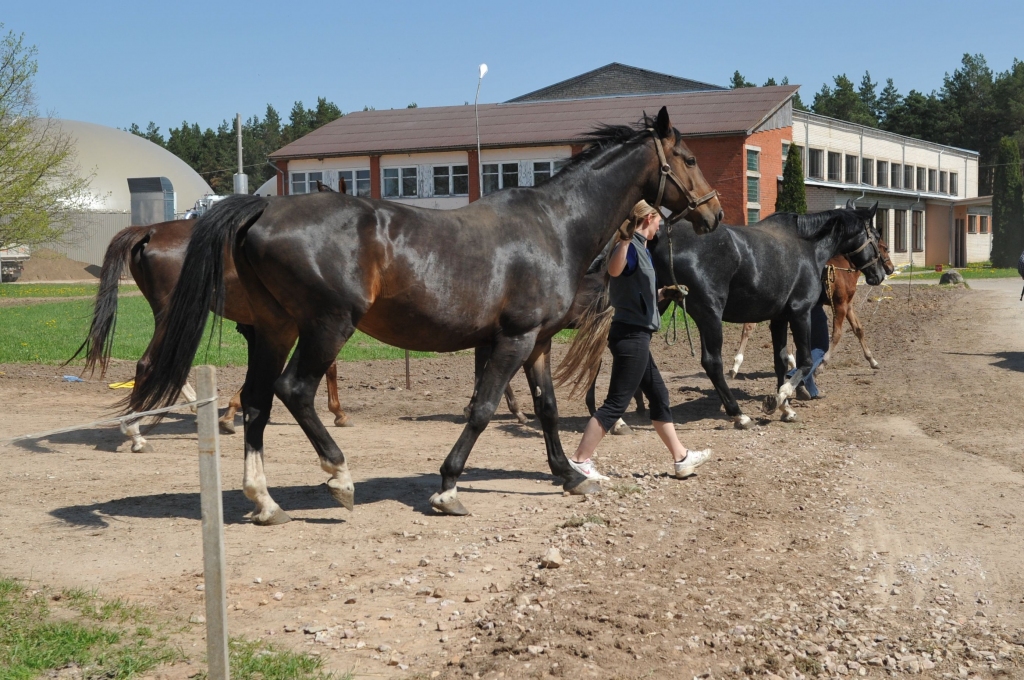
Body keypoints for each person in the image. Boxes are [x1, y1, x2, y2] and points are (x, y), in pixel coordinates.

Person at [568, 200, 712, 481]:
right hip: (630, 336)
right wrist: (622, 241)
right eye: (659, 220)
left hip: (638, 336)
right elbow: (614, 270)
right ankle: (579, 460)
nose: (661, 225)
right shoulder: (630, 247)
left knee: (659, 396)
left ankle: (681, 458)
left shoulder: (642, 250)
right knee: (616, 403)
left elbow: (635, 292)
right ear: (647, 219)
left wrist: (664, 294)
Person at [793, 304, 829, 400]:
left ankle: (810, 390)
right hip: (812, 305)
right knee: (821, 346)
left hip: (793, 308)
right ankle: (797, 376)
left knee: (803, 346)